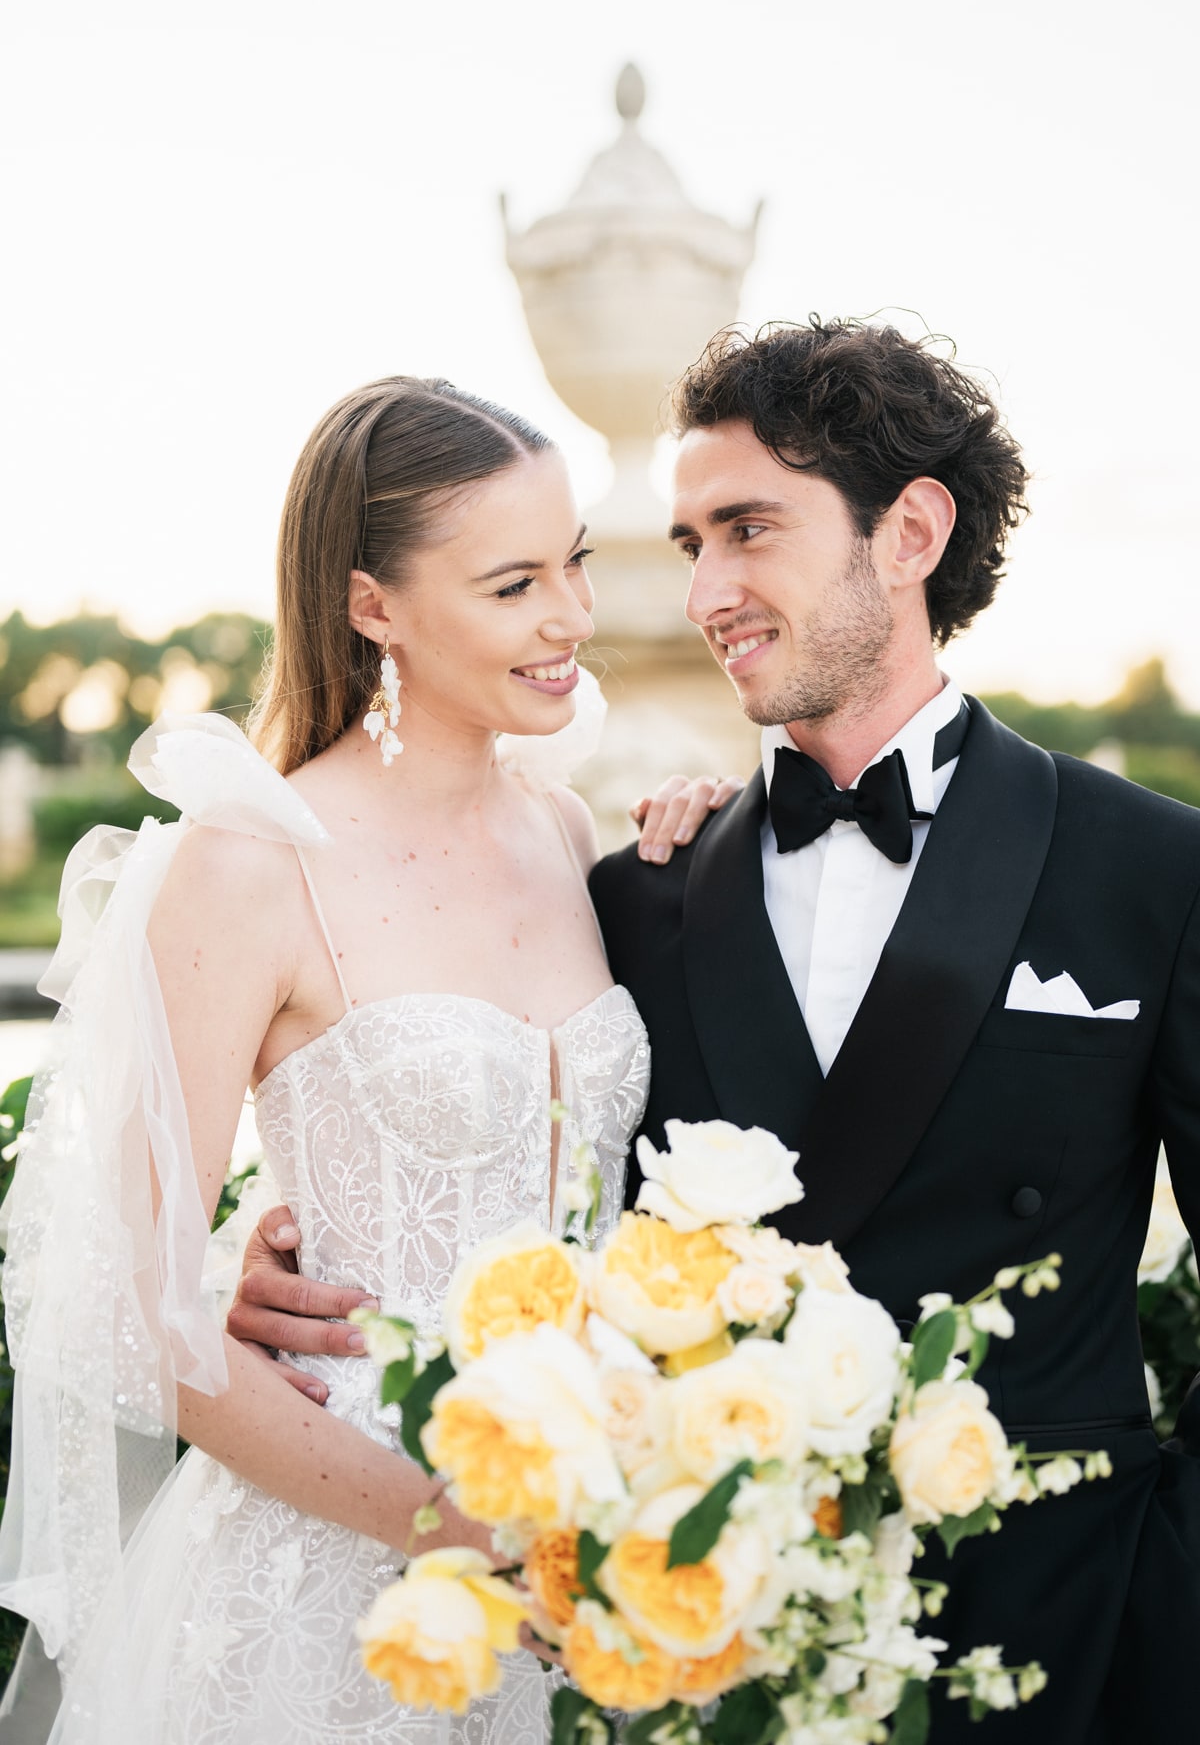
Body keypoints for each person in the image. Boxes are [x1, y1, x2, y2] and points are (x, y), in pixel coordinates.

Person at [237, 321, 1200, 1743]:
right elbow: (496, 1154)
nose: (704, 591)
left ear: (910, 533)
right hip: (693, 1644)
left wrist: (1165, 1585)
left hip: (1066, 1633)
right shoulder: (634, 894)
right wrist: (268, 1246)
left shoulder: (1153, 868)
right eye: (688, 542)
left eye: (748, 530)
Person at [0, 374, 733, 1745]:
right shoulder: (249, 864)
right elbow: (125, 1307)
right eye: (514, 584)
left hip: (593, 1560)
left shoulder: (569, 832)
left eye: (571, 563)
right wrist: (463, 1531)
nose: (571, 617)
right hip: (337, 1572)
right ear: (372, 604)